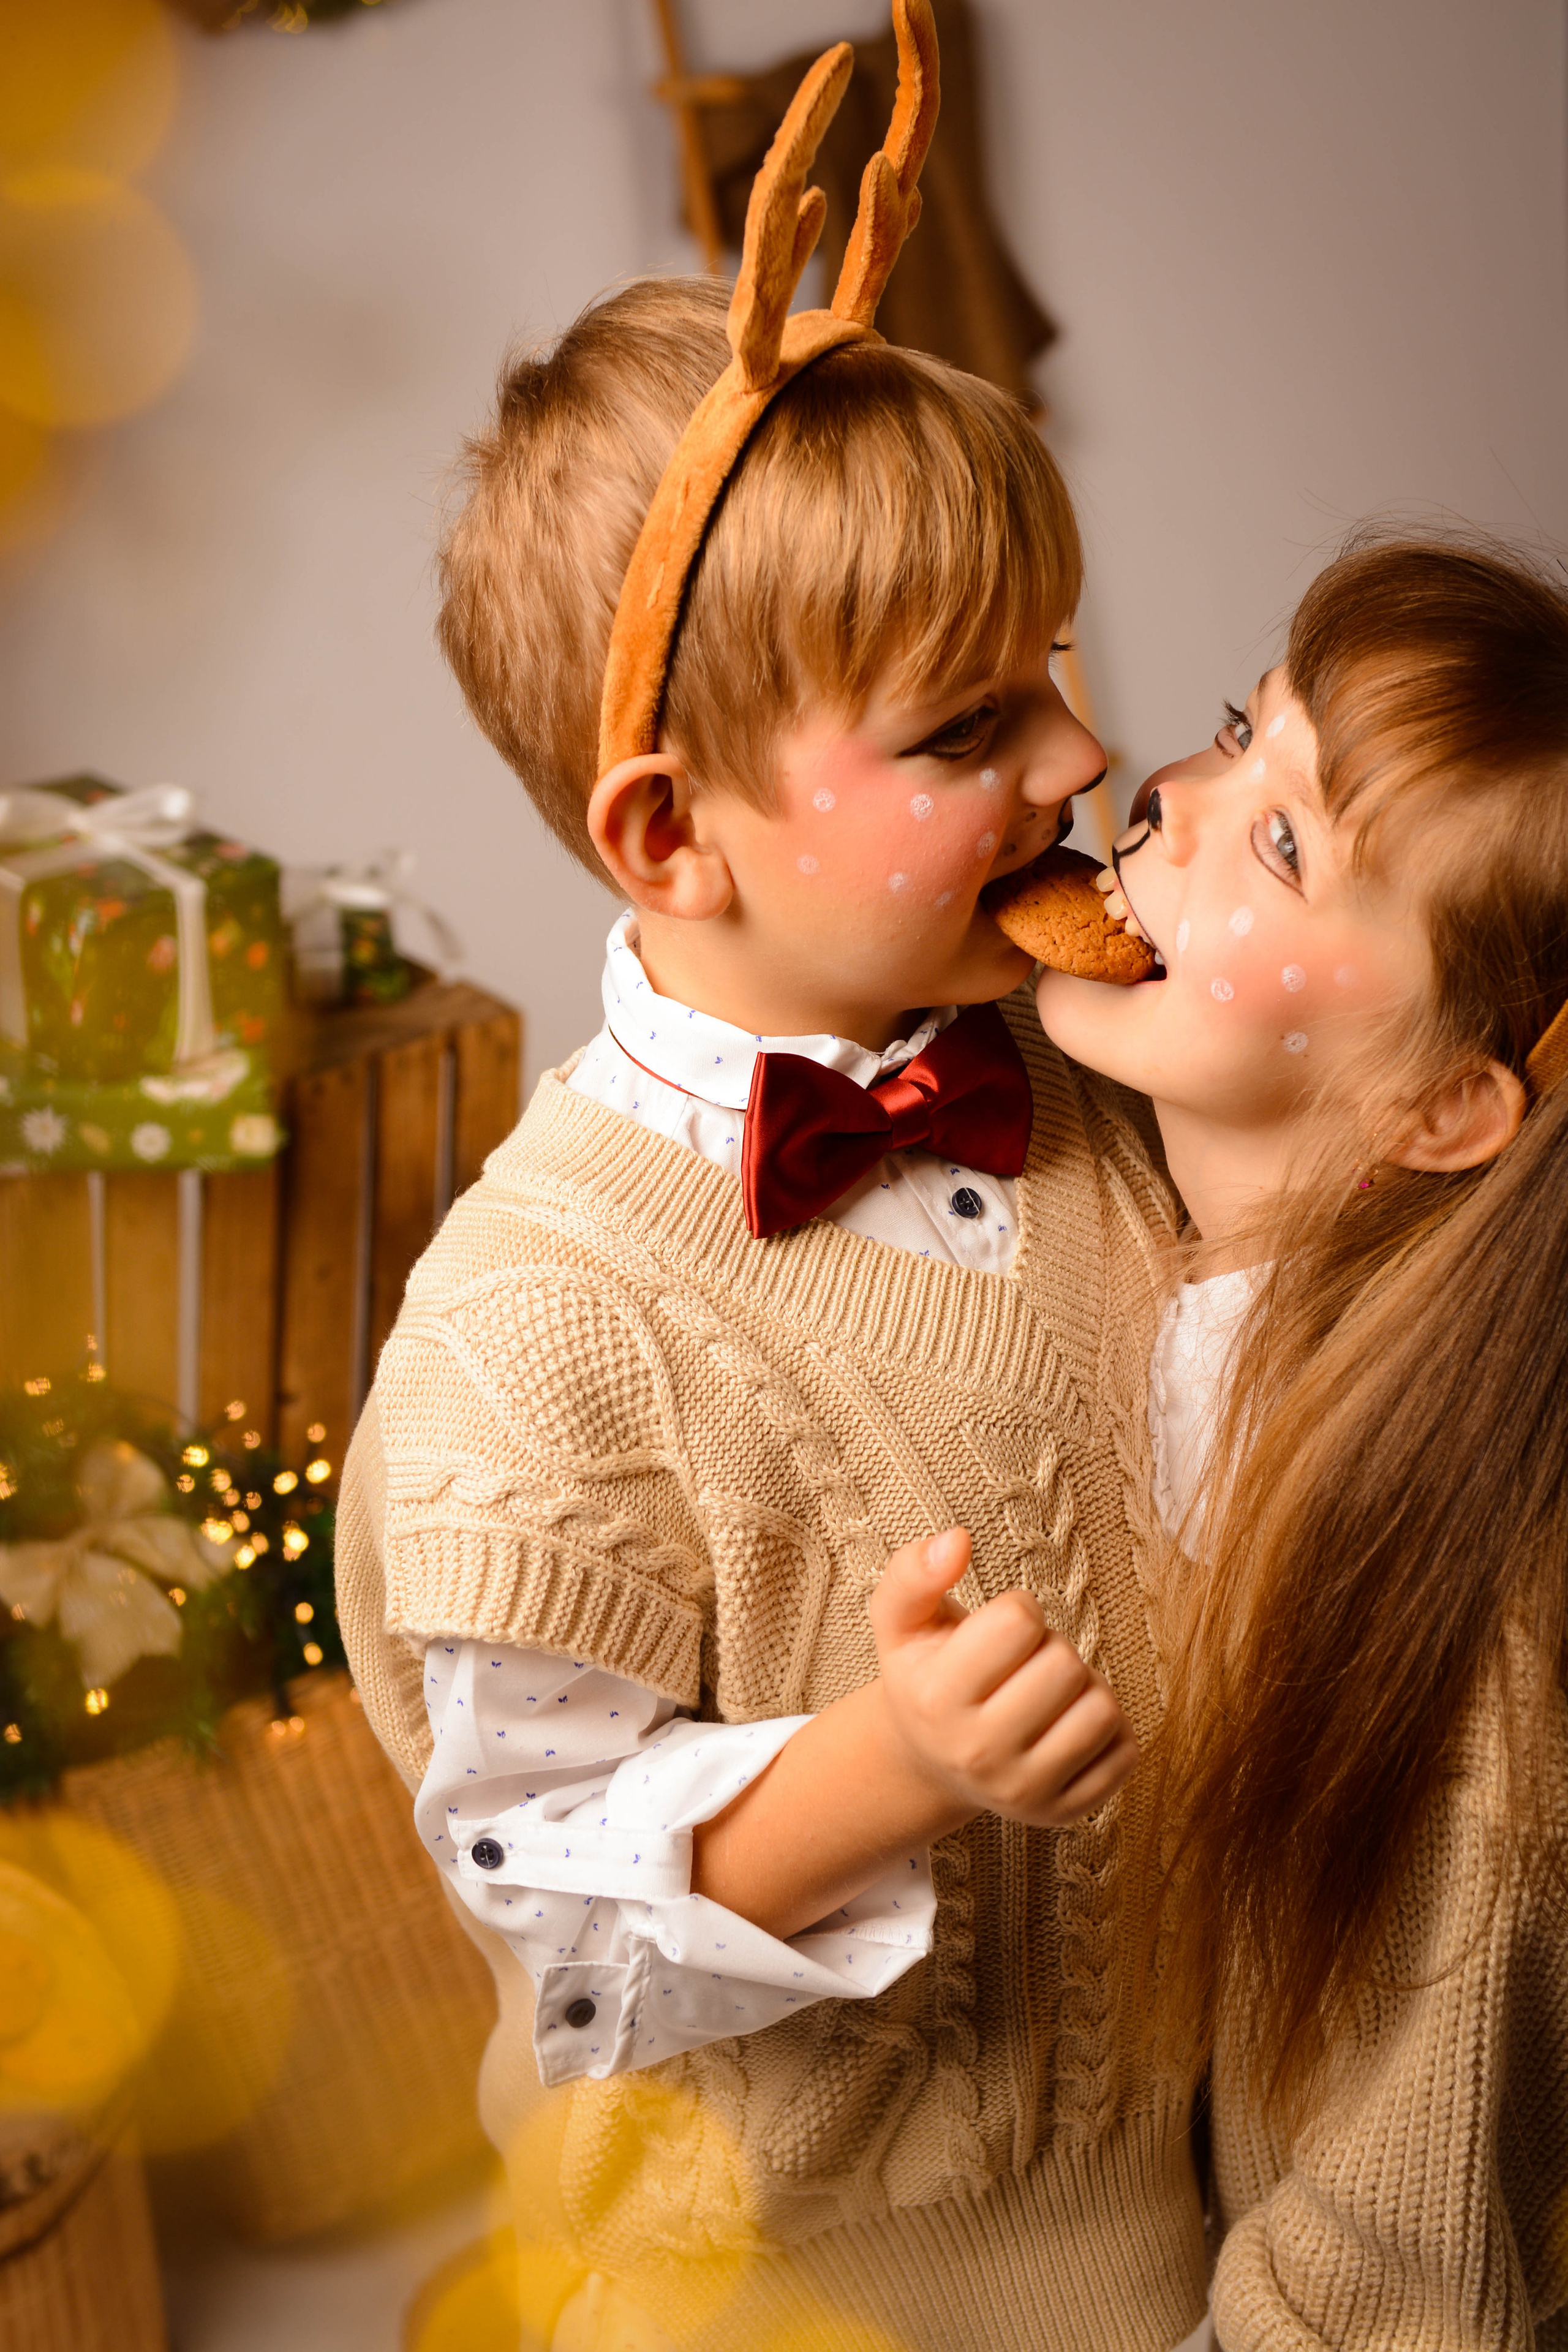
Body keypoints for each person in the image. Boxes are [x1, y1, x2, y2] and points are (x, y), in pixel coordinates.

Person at [336, 10, 1215, 2348]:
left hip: (1199, 2230)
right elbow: (549, 1895)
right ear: (669, 836)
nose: (1085, 748)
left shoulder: (1090, 1072)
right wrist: (880, 1764)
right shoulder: (540, 1327)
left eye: (1052, 660)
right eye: (970, 727)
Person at [1033, 529, 1568, 2350]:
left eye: (1282, 841)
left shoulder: (1463, 1687)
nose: (1166, 798)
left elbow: (1389, 2290)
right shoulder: (1109, 1206)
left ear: (1438, 1107)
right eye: (1230, 734)